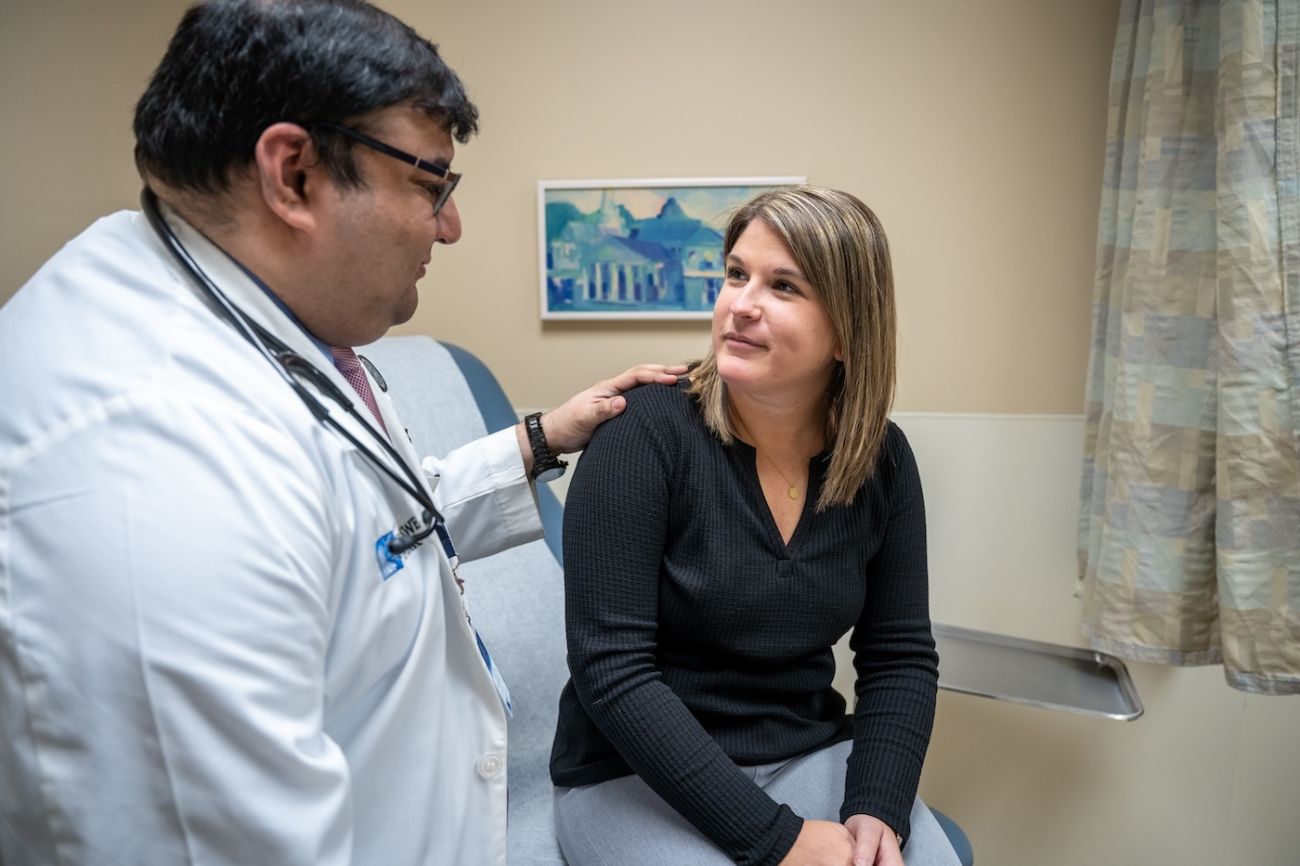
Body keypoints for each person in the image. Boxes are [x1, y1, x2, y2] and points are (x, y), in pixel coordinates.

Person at [0, 2, 683, 864]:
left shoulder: (259, 323)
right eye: (430, 184)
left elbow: (365, 537)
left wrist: (538, 442)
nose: (450, 225)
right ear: (294, 174)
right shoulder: (156, 469)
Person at [550, 186, 961, 866]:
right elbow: (613, 673)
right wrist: (781, 841)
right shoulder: (642, 435)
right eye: (736, 274)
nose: (740, 304)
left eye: (784, 286)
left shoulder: (881, 461)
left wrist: (878, 810)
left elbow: (899, 656)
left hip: (805, 752)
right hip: (632, 774)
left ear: (848, 331)